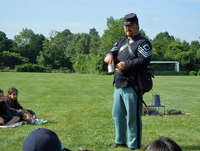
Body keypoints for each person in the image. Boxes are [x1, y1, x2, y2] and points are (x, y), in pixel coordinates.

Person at [104, 13, 152, 150]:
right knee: (117, 114)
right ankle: (120, 140)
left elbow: (144, 61)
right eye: (125, 26)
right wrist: (108, 55)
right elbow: (112, 51)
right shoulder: (121, 41)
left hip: (133, 84)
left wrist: (127, 65)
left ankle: (134, 144)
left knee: (133, 117)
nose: (127, 29)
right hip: (118, 84)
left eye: (130, 26)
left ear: (137, 25)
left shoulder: (143, 42)